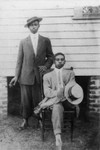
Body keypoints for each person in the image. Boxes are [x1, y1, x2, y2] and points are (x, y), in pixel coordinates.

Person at [9, 16, 54, 130]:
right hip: (25, 76)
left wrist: (46, 66)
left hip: (39, 76)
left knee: (38, 99)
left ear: (39, 25)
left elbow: (51, 57)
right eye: (31, 25)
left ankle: (40, 120)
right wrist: (16, 76)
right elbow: (19, 60)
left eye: (36, 24)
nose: (34, 26)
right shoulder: (23, 42)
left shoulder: (45, 40)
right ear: (28, 27)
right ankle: (25, 120)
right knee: (25, 100)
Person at [34, 52, 83, 150]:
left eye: (62, 59)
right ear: (54, 61)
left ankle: (43, 105)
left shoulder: (70, 73)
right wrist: (58, 93)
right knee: (57, 106)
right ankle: (58, 136)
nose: (60, 61)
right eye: (57, 59)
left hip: (68, 101)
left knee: (61, 97)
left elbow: (73, 89)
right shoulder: (47, 76)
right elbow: (47, 93)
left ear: (65, 61)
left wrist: (63, 93)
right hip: (56, 101)